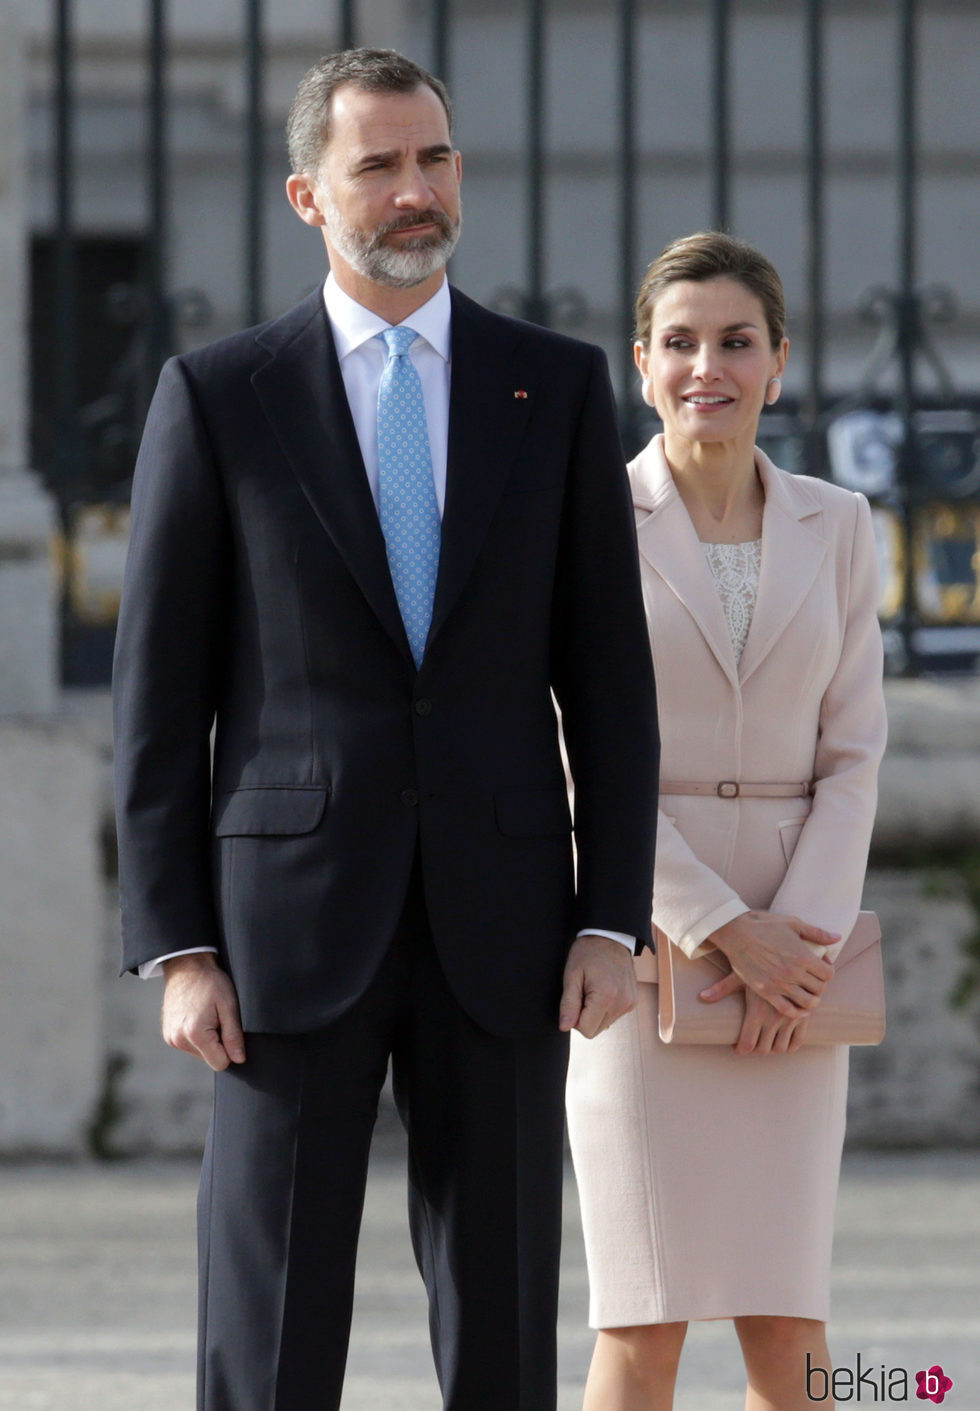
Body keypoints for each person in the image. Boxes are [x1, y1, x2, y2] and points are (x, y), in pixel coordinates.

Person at [112, 47, 659, 1411]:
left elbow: (610, 678)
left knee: (506, 1320)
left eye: (435, 158)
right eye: (380, 165)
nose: (416, 192)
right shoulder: (222, 396)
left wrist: (613, 917)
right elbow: (159, 699)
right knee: (270, 1322)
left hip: (512, 922)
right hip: (283, 933)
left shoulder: (557, 385)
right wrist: (177, 945)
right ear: (309, 193)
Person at [565, 231, 887, 1411]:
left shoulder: (841, 523)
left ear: (778, 361)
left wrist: (793, 941)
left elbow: (854, 747)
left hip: (801, 973)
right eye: (681, 342)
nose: (710, 364)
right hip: (644, 949)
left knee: (787, 1320)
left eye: (735, 342)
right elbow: (572, 754)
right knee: (642, 1321)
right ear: (640, 364)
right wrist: (716, 927)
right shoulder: (585, 519)